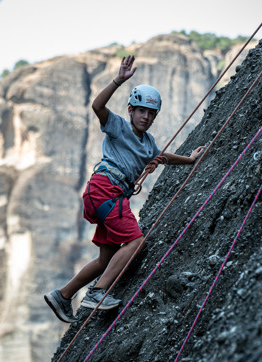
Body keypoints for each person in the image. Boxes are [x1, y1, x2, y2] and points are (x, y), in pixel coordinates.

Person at [44, 55, 205, 323]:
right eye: (142, 111)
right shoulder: (118, 126)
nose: (146, 117)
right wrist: (118, 80)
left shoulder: (148, 143)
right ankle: (98, 293)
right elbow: (97, 105)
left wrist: (189, 159)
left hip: (106, 195)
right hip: (106, 189)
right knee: (136, 242)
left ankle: (63, 295)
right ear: (131, 110)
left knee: (105, 258)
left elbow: (162, 156)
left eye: (151, 113)